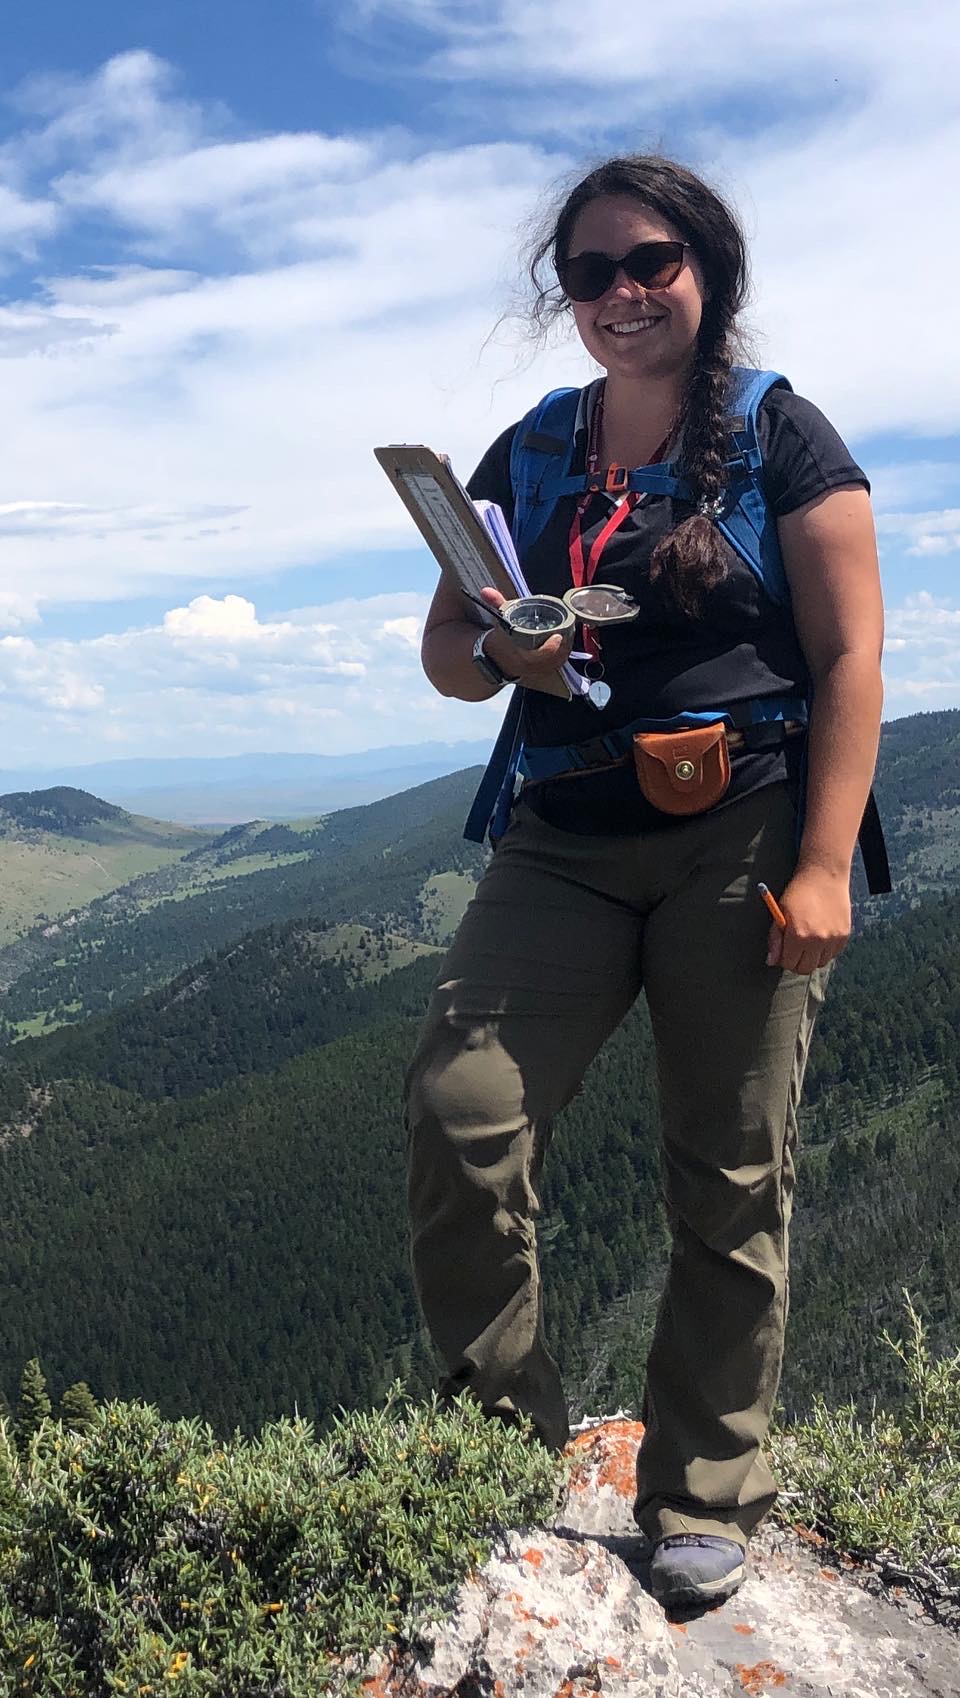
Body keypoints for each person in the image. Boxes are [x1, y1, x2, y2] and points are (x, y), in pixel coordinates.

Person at [403, 153, 884, 1611]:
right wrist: (507, 653)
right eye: (591, 271)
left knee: (731, 1169)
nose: (621, 293)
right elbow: (443, 654)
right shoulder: (530, 449)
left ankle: (702, 1489)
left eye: (651, 262)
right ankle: (503, 1447)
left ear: (707, 271)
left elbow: (854, 653)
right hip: (560, 830)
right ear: (565, 294)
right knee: (459, 1110)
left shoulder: (782, 433)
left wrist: (823, 863)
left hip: (741, 826)